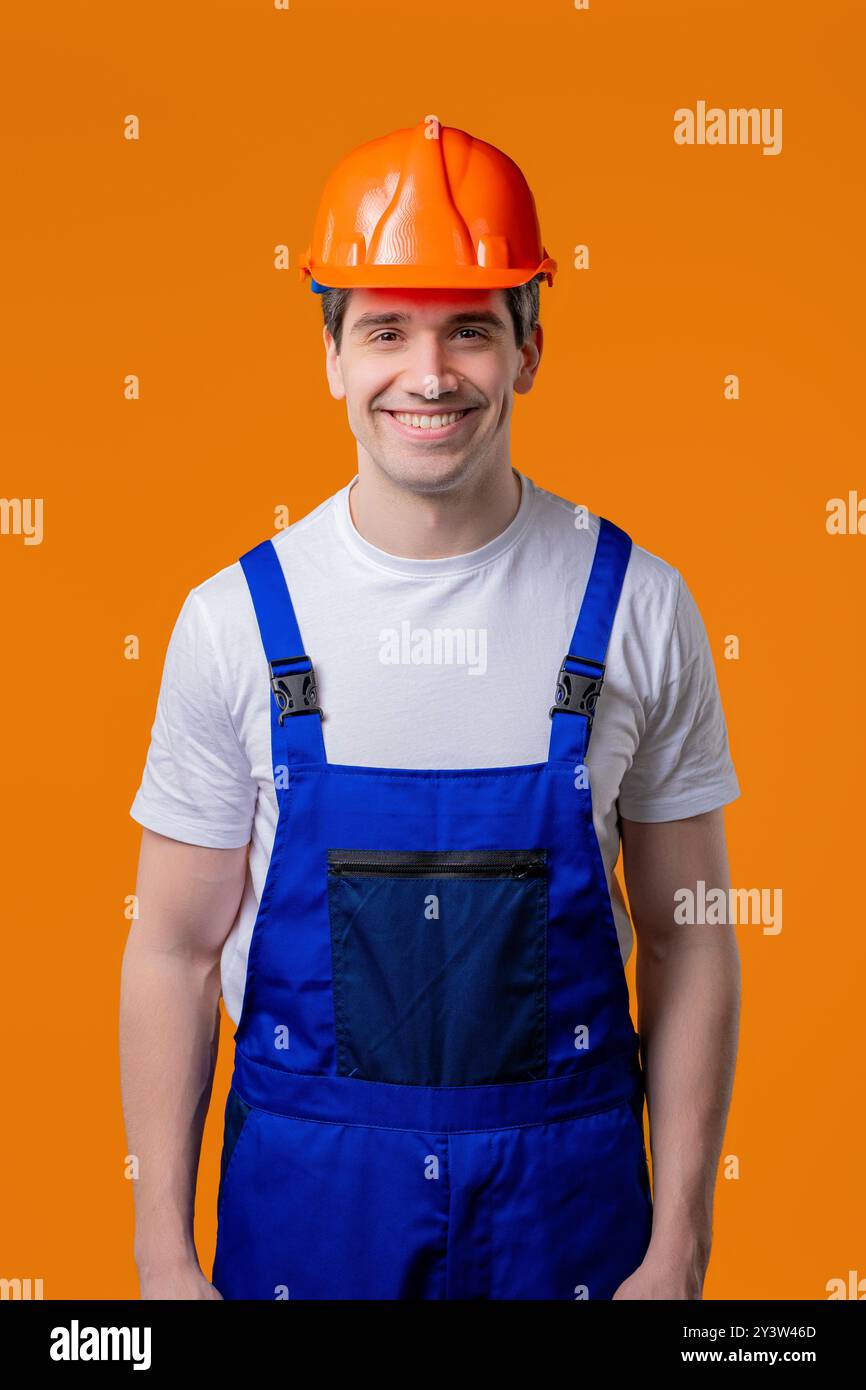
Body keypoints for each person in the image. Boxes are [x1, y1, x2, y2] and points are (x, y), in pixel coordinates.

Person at [120, 117, 741, 1301]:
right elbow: (172, 947)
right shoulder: (234, 622)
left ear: (529, 349)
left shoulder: (636, 607)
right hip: (305, 1212)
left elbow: (687, 932)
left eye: (469, 329)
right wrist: (160, 1253)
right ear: (330, 356)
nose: (428, 373)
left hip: (571, 1213)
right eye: (385, 331)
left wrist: (680, 1247)